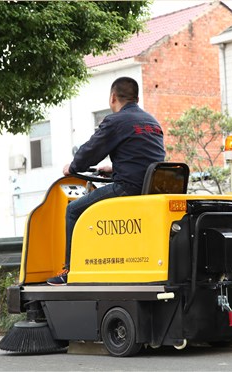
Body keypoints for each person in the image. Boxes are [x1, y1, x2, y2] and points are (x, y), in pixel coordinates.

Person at [47, 77, 166, 285]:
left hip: (128, 189)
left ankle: (69, 270)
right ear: (136, 98)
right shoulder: (152, 122)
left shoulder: (116, 121)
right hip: (152, 191)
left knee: (74, 210)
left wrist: (72, 167)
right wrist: (114, 169)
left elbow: (89, 153)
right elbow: (144, 160)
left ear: (112, 98)